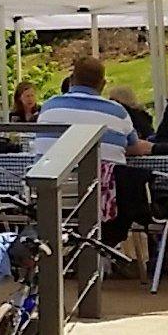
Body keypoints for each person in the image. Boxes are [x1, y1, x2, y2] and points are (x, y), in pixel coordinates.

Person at [40, 53, 142, 243]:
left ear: (71, 80)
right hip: (101, 201)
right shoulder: (117, 112)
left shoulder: (49, 107)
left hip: (53, 197)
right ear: (102, 84)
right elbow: (134, 147)